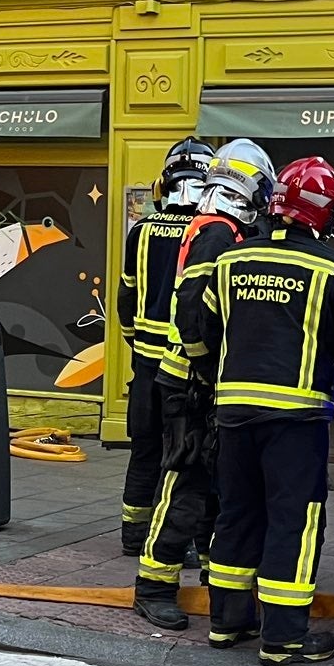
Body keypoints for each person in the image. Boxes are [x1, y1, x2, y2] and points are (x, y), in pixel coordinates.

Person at [193, 156, 334, 666]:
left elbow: (199, 332)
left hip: (233, 413)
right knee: (294, 520)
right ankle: (285, 637)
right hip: (296, 419)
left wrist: (215, 381)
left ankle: (227, 623)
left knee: (238, 512)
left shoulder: (230, 260)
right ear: (323, 212)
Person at [133, 139, 274, 632]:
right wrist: (205, 367)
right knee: (185, 483)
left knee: (216, 485)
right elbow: (193, 306)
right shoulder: (215, 232)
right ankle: (154, 586)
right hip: (191, 382)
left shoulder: (223, 228)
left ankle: (220, 585)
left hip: (203, 379)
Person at [118, 139, 214, 555]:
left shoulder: (140, 231)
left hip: (145, 366)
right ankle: (181, 540)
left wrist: (137, 343)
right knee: (184, 457)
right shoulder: (208, 233)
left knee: (144, 451)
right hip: (184, 369)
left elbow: (125, 298)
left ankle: (133, 534)